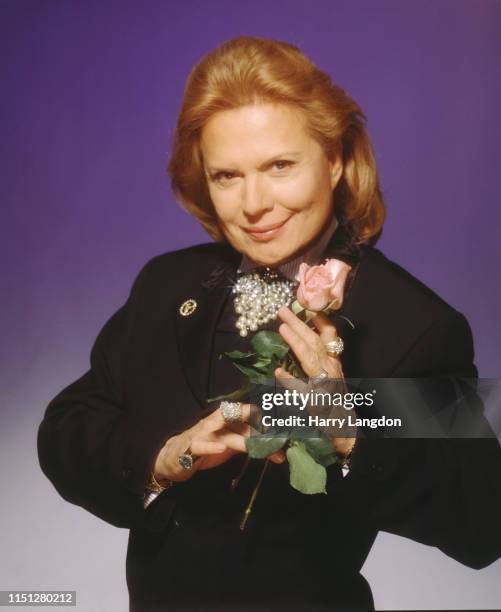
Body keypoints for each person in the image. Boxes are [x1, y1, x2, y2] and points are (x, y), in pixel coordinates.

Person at [37, 36, 501, 611]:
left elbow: (484, 522)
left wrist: (352, 424)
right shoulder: (166, 284)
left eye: (280, 166)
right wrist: (163, 458)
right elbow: (67, 429)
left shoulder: (412, 324)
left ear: (333, 161)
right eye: (227, 176)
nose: (253, 204)